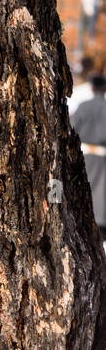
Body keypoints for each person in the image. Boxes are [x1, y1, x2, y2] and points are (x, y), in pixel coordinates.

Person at [72, 73, 106, 237]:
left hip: (85, 155)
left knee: (87, 187)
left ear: (91, 88)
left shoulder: (83, 106)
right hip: (103, 156)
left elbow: (72, 127)